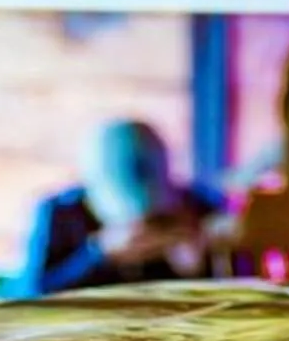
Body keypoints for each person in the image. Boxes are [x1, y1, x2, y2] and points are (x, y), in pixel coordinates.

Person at [22, 120, 219, 294]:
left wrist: (197, 268)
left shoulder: (195, 206)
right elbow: (32, 294)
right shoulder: (60, 212)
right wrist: (99, 255)